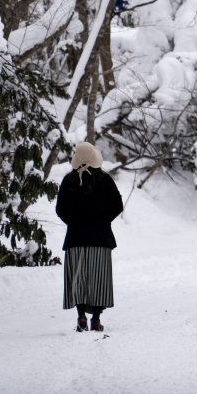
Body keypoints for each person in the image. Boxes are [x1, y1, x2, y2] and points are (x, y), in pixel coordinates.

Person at [56, 142, 123, 333]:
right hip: (100, 239)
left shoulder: (68, 180)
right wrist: (103, 221)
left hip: (75, 238)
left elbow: (60, 210)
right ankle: (96, 319)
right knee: (98, 280)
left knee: (78, 279)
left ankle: (81, 317)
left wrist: (74, 222)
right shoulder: (105, 180)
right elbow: (117, 205)